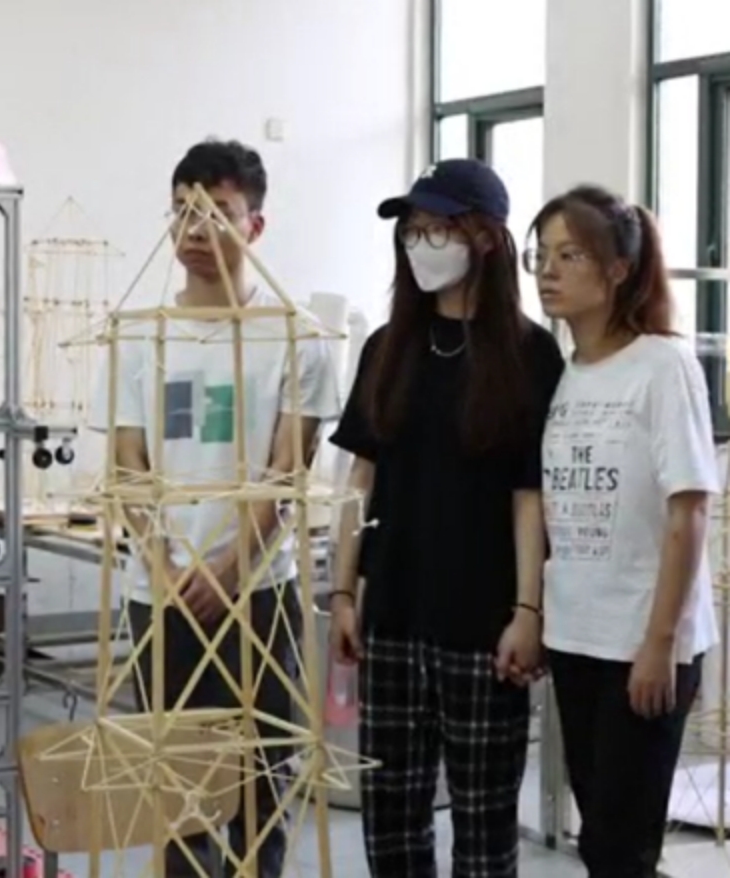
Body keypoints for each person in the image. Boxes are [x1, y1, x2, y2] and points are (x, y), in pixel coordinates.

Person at [91, 138, 342, 878]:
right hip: (159, 591)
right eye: (182, 212)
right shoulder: (139, 332)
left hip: (259, 590)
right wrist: (165, 565)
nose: (195, 229)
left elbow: (288, 469)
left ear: (254, 225)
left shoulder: (295, 335)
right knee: (177, 780)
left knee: (263, 772)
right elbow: (127, 466)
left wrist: (231, 566)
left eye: (217, 212)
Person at [327, 159, 564, 878]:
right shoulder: (387, 348)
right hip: (392, 618)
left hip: (484, 627)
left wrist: (528, 610)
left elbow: (530, 496)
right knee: (391, 820)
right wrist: (342, 591)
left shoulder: (529, 354)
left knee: (484, 825)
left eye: (438, 229)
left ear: (485, 238)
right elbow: (359, 478)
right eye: (413, 231)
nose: (420, 245)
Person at [529, 184, 720, 876]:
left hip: (644, 642)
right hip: (577, 635)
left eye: (570, 255)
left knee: (622, 849)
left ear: (617, 269)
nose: (548, 271)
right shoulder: (569, 375)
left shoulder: (663, 365)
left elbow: (689, 509)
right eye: (541, 255)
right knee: (601, 841)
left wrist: (660, 644)